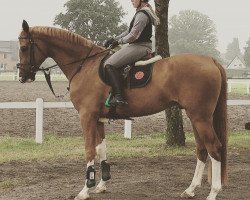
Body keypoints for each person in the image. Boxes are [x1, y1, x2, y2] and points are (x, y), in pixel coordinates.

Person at [104, 0, 160, 106]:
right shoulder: (140, 12)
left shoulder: (142, 14)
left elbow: (133, 35)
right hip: (138, 45)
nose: (131, 1)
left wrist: (118, 42)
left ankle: (119, 96)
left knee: (109, 64)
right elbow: (129, 31)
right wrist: (113, 39)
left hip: (140, 46)